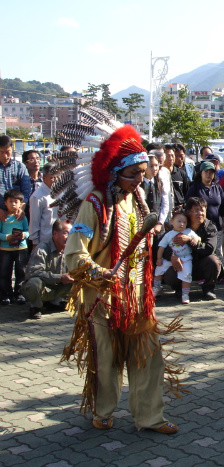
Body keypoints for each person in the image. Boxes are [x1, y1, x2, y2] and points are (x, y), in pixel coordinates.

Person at [61, 124, 178, 434]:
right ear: (114, 172)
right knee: (107, 358)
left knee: (148, 354)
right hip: (103, 297)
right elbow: (74, 255)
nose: (141, 179)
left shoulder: (137, 199)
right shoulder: (94, 205)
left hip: (138, 294)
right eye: (134, 173)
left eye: (143, 173)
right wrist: (101, 274)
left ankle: (150, 416)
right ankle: (103, 410)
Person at [162, 197, 221, 300]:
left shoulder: (210, 226)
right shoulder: (180, 223)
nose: (200, 213)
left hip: (200, 264)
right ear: (188, 212)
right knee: (168, 271)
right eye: (196, 210)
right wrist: (172, 256)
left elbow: (209, 248)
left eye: (202, 210)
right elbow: (163, 244)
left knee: (213, 261)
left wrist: (189, 241)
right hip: (181, 263)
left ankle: (208, 288)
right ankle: (179, 289)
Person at [186, 160, 224, 283]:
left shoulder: (218, 188)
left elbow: (223, 207)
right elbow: (188, 206)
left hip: (216, 225)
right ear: (201, 173)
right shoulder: (194, 188)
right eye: (206, 172)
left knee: (217, 251)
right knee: (202, 250)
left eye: (211, 172)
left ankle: (221, 276)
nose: (209, 175)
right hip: (198, 226)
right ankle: (201, 276)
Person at [21, 219, 73, 319]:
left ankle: (55, 303)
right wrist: (59, 277)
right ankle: (35, 306)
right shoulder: (42, 248)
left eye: (71, 233)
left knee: (81, 279)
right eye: (66, 233)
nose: (69, 236)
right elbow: (33, 272)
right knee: (34, 283)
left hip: (58, 288)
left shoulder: (70, 250)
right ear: (55, 233)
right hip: (44, 288)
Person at [153, 210, 200, 304]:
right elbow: (161, 247)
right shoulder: (168, 234)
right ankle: (156, 287)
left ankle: (185, 294)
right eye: (179, 221)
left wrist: (195, 238)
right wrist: (159, 259)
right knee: (159, 270)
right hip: (171, 258)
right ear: (172, 222)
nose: (182, 224)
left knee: (186, 275)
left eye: (184, 222)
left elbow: (198, 238)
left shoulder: (189, 232)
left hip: (186, 258)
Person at [0, 189, 29, 305]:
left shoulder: (22, 217)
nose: (13, 204)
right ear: (5, 203)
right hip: (5, 249)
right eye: (10, 201)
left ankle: (19, 293)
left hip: (21, 248)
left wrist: (24, 235)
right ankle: (6, 294)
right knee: (5, 272)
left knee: (21, 272)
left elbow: (28, 231)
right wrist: (6, 237)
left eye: (15, 202)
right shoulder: (2, 217)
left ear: (20, 204)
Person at [0, 135, 31, 219]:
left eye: (7, 152)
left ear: (12, 148)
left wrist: (21, 208)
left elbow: (26, 190)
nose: (5, 156)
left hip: (17, 215)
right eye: (1, 152)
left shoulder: (20, 167)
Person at [29, 162, 59, 247]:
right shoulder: (37, 197)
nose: (56, 179)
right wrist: (35, 242)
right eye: (53, 177)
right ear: (44, 178)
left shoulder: (62, 192)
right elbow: (34, 222)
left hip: (62, 239)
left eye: (58, 176)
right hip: (45, 241)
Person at [164, 144, 190, 210]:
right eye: (168, 156)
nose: (171, 158)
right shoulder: (159, 174)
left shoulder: (181, 173)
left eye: (172, 156)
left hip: (180, 208)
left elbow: (186, 192)